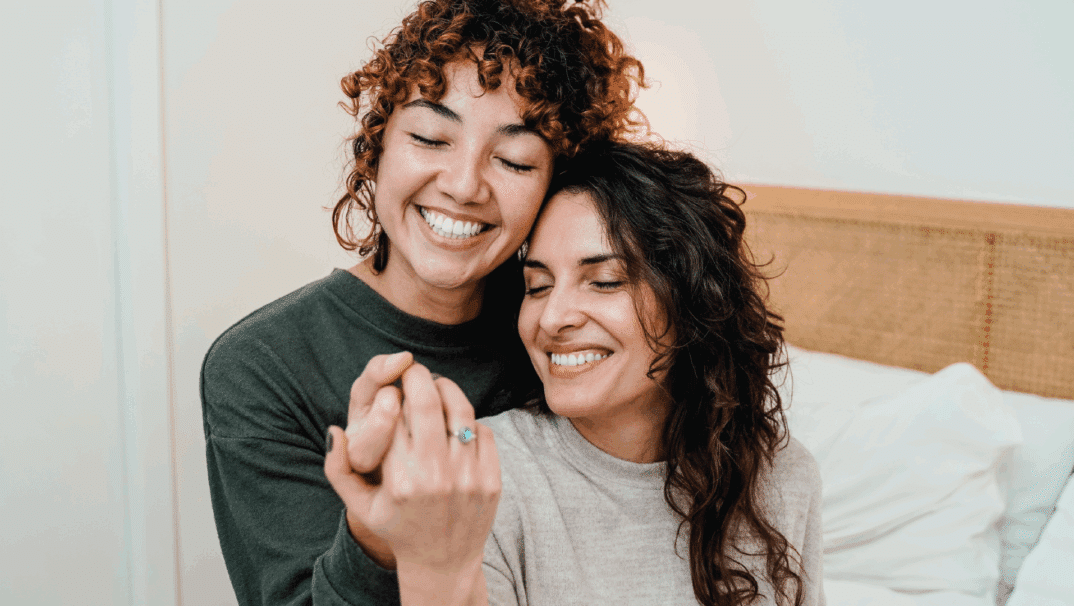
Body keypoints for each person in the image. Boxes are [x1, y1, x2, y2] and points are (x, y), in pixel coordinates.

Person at [200, 0, 645, 604]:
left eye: (514, 159)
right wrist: (378, 538)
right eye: (431, 137)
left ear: (555, 185)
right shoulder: (260, 365)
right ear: (378, 145)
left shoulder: (566, 334)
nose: (463, 186)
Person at [327, 140, 824, 605]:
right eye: (538, 286)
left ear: (693, 300)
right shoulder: (480, 477)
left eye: (604, 281)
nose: (552, 317)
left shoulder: (783, 476)